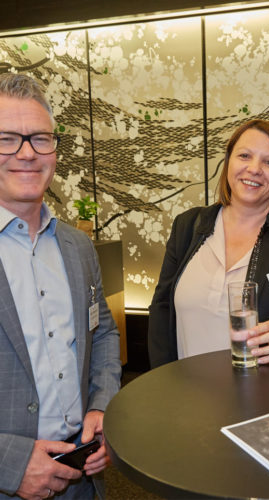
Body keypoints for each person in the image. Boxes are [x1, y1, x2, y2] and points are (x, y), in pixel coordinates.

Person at [0, 73, 121, 499]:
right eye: (7, 139)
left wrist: (102, 405)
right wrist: (9, 463)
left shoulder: (77, 246)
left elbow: (102, 331)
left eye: (39, 138)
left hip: (82, 476)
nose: (27, 153)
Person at [148, 119, 269, 367]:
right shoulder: (188, 226)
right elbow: (161, 310)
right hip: (185, 396)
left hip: (264, 398)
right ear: (228, 164)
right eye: (245, 156)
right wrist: (162, 380)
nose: (254, 169)